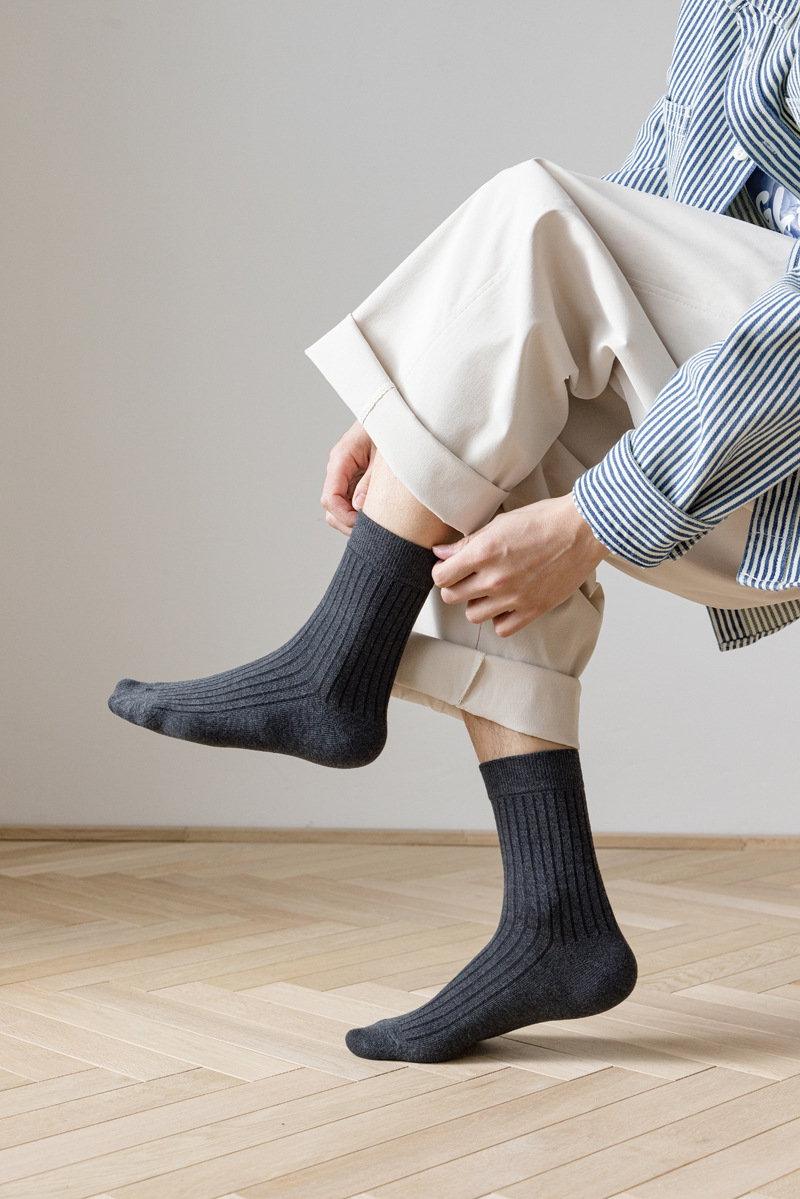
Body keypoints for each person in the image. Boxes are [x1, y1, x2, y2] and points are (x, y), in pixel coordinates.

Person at [109, 0, 800, 1064]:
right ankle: (553, 916)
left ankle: (336, 665)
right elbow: (643, 217)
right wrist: (429, 395)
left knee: (532, 214)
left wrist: (595, 517)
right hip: (745, 441)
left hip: (771, 447)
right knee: (502, 406)